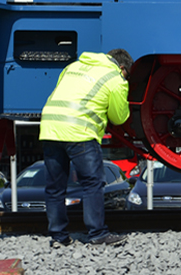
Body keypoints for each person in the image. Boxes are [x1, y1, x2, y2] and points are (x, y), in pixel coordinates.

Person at [38, 49, 132, 247]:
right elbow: (119, 117)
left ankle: (58, 237)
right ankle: (97, 234)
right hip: (80, 130)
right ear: (122, 67)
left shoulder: (73, 66)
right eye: (126, 74)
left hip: (50, 127)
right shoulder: (115, 77)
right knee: (92, 183)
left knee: (55, 187)